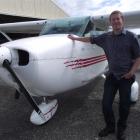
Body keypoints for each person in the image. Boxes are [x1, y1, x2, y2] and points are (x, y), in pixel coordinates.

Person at [68, 10, 140, 140]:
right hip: (112, 76)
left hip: (126, 77)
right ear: (110, 22)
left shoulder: (132, 37)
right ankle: (110, 127)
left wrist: (131, 72)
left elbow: (138, 57)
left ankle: (121, 129)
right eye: (113, 19)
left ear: (122, 20)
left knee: (124, 106)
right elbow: (90, 39)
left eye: (118, 19)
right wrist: (75, 38)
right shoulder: (106, 37)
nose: (116, 21)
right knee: (106, 104)